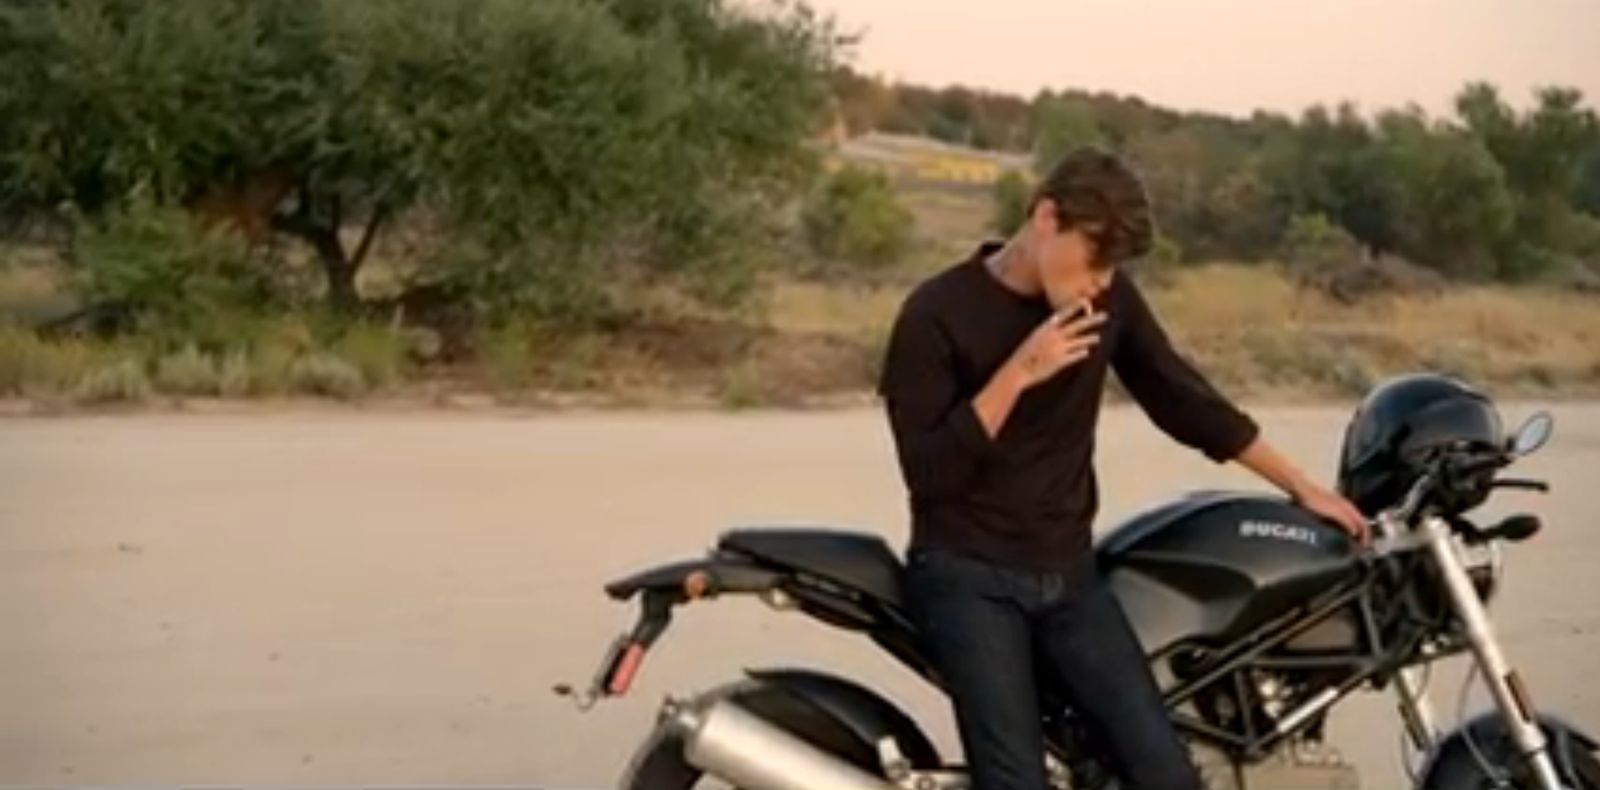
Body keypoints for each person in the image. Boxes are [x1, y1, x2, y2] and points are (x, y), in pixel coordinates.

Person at [877, 148, 1367, 790]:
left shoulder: (1107, 304)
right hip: (967, 578)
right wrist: (1021, 372)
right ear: (1046, 218)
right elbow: (929, 474)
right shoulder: (935, 313)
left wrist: (1302, 486)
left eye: (1114, 268)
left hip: (1068, 575)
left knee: (1164, 772)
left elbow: (1183, 400)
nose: (1101, 282)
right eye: (1096, 259)